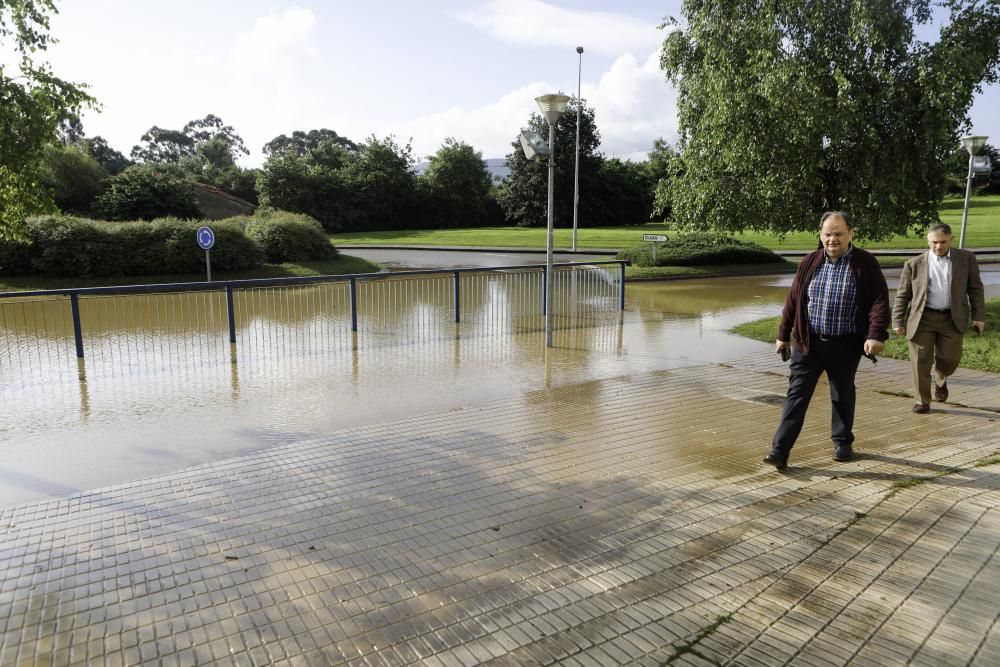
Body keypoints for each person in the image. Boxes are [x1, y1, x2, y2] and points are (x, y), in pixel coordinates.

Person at [763, 211, 890, 471]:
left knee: (842, 393)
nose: (833, 239)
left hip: (845, 344)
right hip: (808, 343)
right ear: (821, 236)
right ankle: (779, 451)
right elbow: (793, 301)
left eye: (839, 234)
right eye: (828, 234)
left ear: (850, 234)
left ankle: (842, 442)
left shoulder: (865, 263)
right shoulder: (810, 261)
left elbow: (879, 301)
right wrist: (782, 335)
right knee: (796, 396)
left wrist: (875, 334)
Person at [891, 223, 986, 414]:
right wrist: (897, 321)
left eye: (943, 242)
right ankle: (922, 401)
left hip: (952, 317)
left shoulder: (966, 259)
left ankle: (941, 377)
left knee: (951, 358)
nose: (938, 246)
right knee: (920, 362)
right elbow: (903, 294)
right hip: (922, 318)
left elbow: (975, 288)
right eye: (934, 242)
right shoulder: (914, 264)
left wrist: (978, 316)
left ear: (951, 238)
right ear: (928, 241)